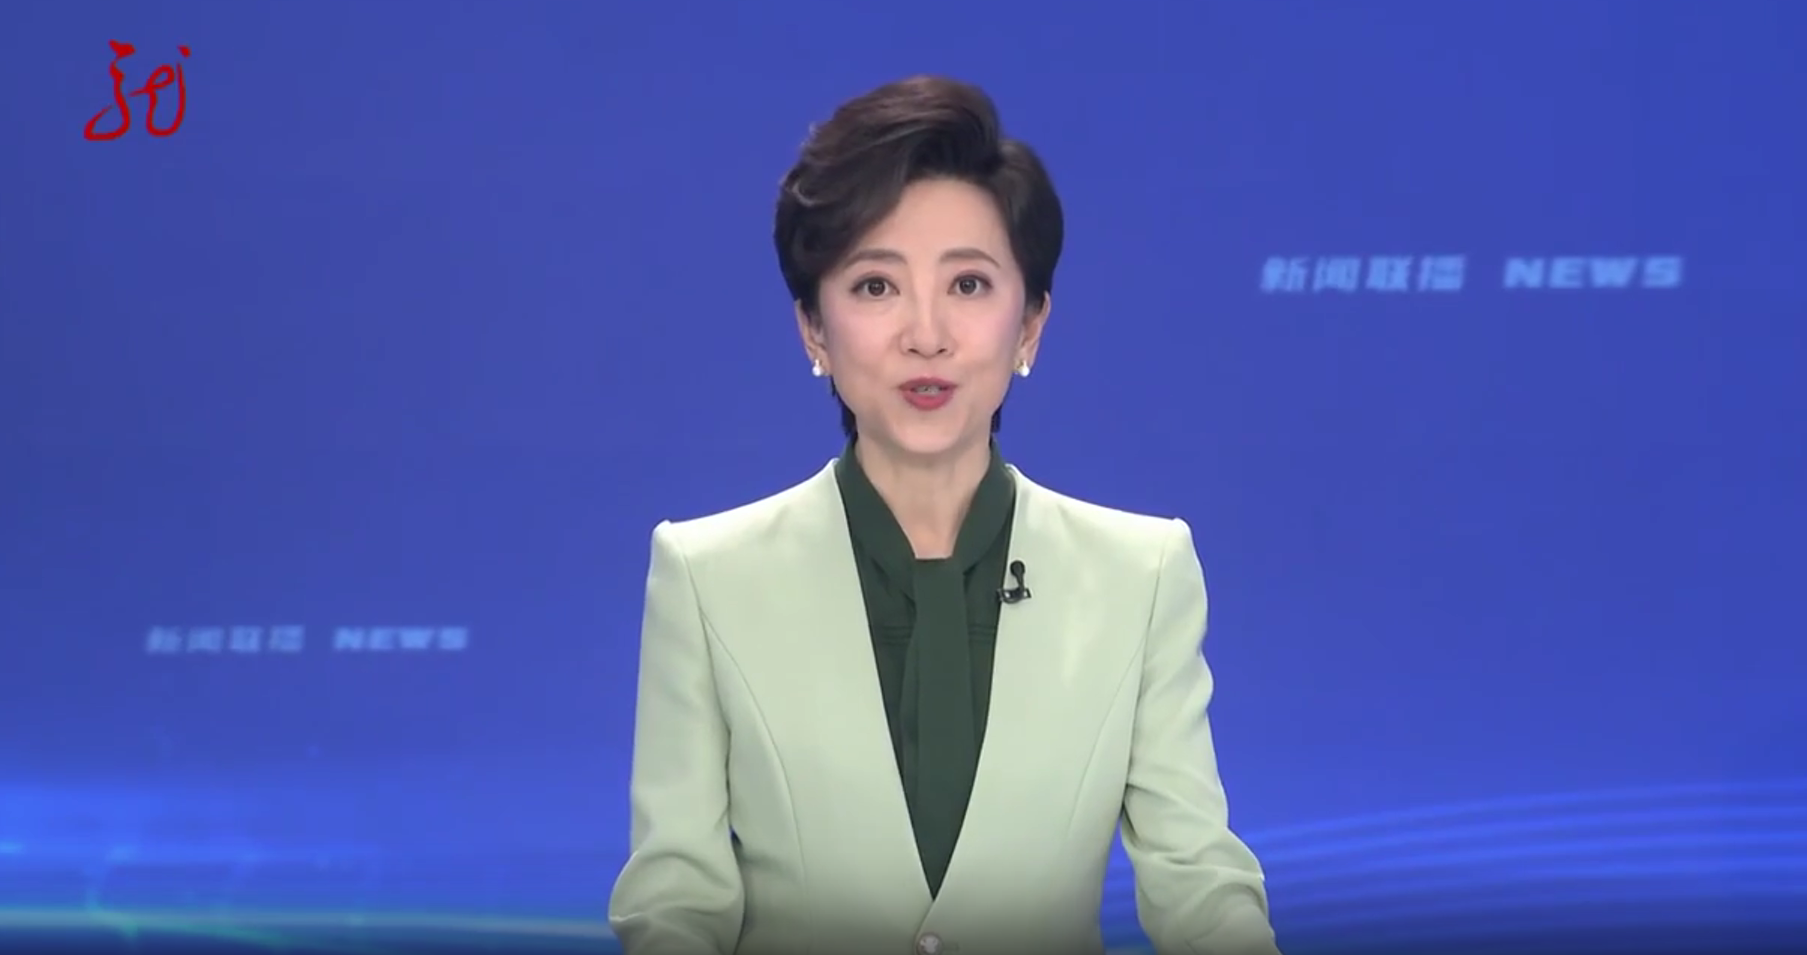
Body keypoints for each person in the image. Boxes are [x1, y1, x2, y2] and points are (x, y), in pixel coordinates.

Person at [608, 75, 1281, 955]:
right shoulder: (707, 576)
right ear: (813, 329)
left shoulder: (1141, 574)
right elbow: (674, 901)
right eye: (875, 286)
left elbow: (1197, 880)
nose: (925, 335)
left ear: (1030, 323)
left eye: (967, 283)